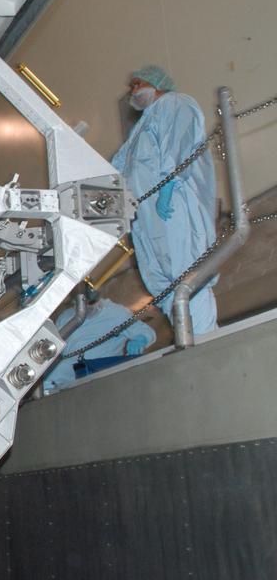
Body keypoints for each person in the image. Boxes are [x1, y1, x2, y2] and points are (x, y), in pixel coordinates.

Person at [110, 65, 217, 334]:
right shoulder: (138, 131)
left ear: (158, 83)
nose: (134, 90)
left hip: (171, 207)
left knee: (187, 277)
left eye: (139, 83)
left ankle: (205, 340)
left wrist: (170, 182)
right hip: (145, 219)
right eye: (132, 85)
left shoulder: (174, 103)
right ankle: (187, 339)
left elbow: (180, 142)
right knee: (164, 286)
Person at [43, 299, 155, 392]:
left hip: (105, 372)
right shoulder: (65, 317)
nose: (87, 305)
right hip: (73, 373)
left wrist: (141, 339)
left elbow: (145, 331)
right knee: (49, 377)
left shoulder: (116, 313)